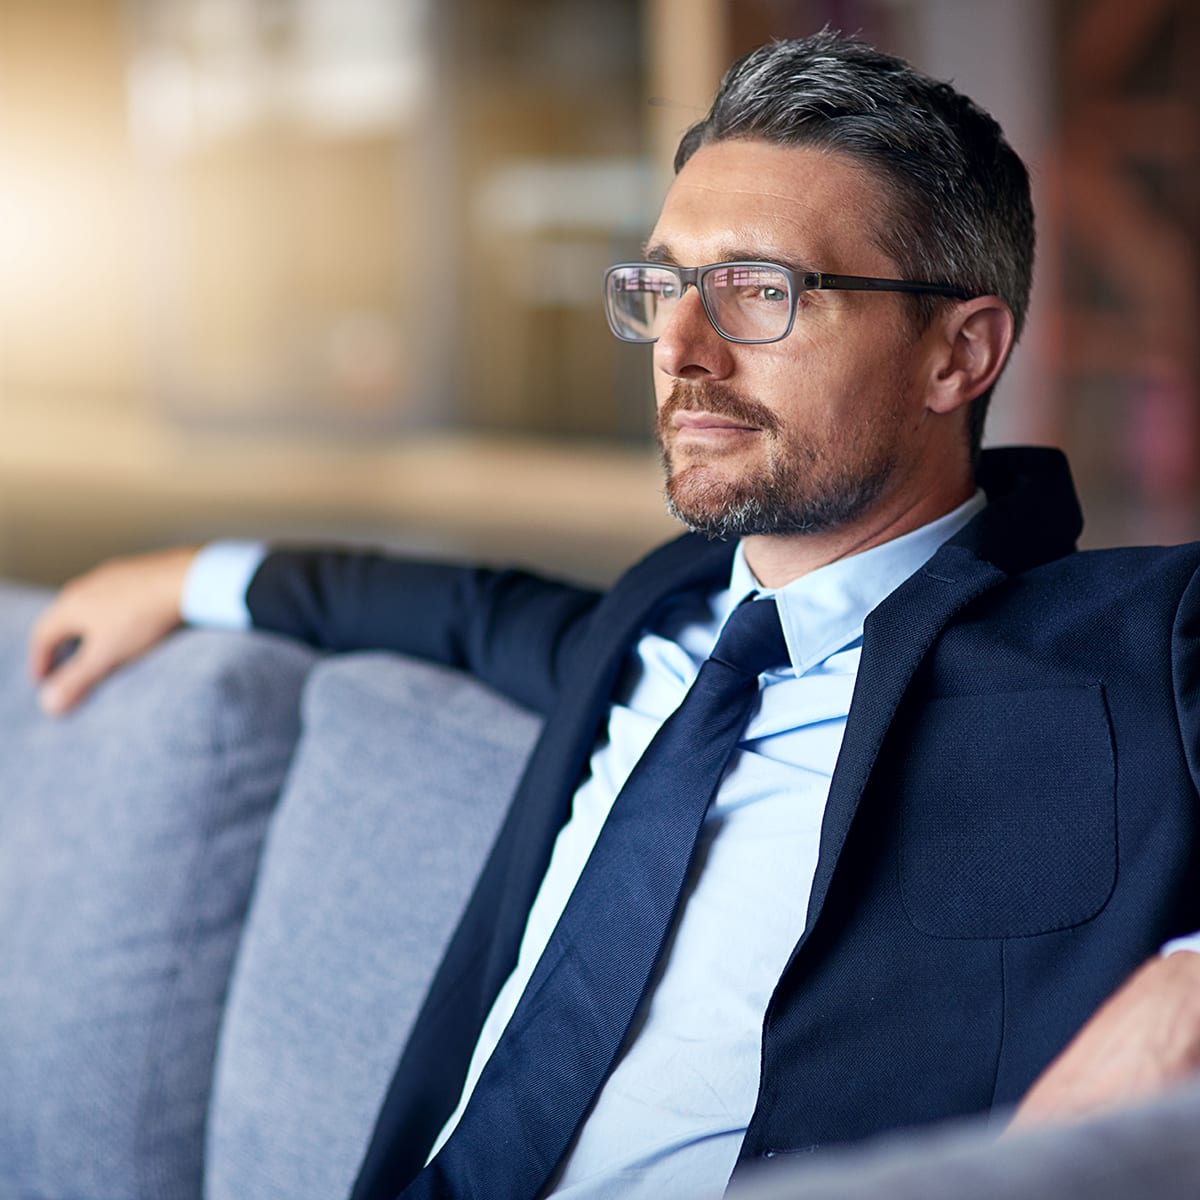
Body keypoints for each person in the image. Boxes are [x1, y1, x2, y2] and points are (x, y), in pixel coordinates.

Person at [25, 30, 1200, 1200]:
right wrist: (189, 577)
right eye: (662, 287)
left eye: (758, 291)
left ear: (959, 355)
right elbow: (456, 610)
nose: (680, 351)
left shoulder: (1137, 636)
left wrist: (1161, 1024)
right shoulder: (652, 628)